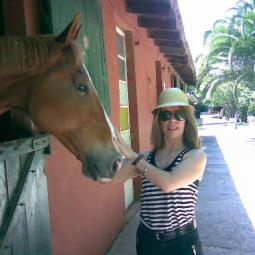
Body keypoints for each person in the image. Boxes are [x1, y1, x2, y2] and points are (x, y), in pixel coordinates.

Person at [113, 87, 207, 255]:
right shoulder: (146, 158)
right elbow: (113, 177)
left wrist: (134, 157)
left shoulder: (196, 156)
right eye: (166, 115)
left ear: (187, 120)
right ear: (158, 121)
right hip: (147, 241)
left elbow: (169, 183)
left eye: (179, 115)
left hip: (181, 244)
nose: (172, 121)